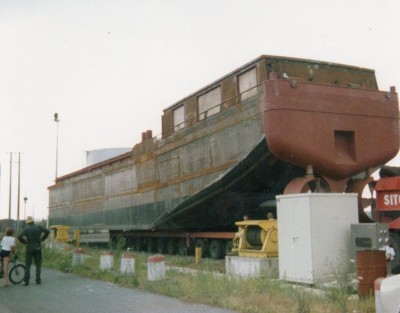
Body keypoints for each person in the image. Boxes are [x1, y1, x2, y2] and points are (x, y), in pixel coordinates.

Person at [18, 216, 50, 286]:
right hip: (38, 247)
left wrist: (25, 242)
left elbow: (19, 236)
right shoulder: (39, 227)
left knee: (28, 265)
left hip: (29, 248)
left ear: (27, 223)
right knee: (38, 264)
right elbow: (48, 231)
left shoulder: (26, 229)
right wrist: (42, 239)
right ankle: (38, 280)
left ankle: (26, 281)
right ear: (33, 221)